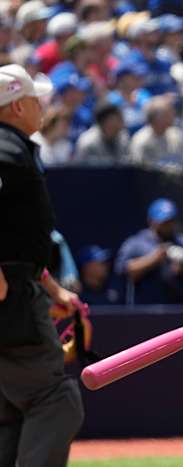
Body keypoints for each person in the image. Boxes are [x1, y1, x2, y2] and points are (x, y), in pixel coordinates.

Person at [0, 64, 84, 467]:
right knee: (56, 401)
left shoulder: (12, 147)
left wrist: (52, 288)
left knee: (10, 410)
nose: (41, 107)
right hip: (10, 298)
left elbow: (18, 240)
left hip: (20, 283)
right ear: (16, 106)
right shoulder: (5, 148)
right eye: (35, 100)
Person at [115, 198, 183, 304]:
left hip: (182, 308)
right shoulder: (136, 243)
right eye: (164, 222)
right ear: (151, 221)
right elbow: (125, 270)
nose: (167, 225)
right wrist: (155, 258)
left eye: (170, 221)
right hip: (146, 312)